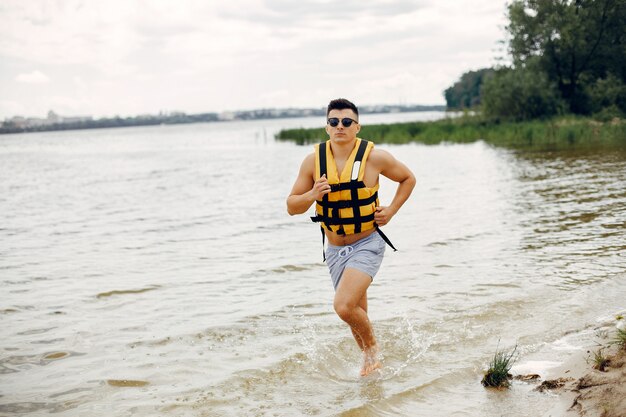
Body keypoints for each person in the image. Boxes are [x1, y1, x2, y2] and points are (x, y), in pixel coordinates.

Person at [286, 98, 416, 376]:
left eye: (346, 122)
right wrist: (313, 195)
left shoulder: (375, 158)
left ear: (357, 127)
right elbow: (291, 206)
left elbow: (408, 178)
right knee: (355, 312)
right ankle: (371, 370)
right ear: (327, 128)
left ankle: (373, 350)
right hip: (334, 249)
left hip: (367, 243)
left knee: (343, 306)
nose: (340, 126)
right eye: (334, 122)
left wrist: (391, 210)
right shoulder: (313, 162)